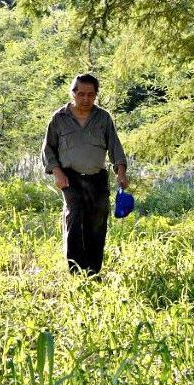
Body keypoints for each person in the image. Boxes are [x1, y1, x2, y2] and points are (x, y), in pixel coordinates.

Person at [41, 73, 129, 275]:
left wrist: (121, 172)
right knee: (75, 217)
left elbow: (115, 147)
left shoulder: (103, 118)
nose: (85, 99)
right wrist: (57, 173)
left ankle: (93, 271)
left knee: (97, 221)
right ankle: (75, 270)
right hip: (70, 177)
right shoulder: (59, 118)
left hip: (97, 177)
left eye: (91, 95)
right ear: (73, 93)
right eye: (81, 94)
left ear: (96, 95)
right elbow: (48, 149)